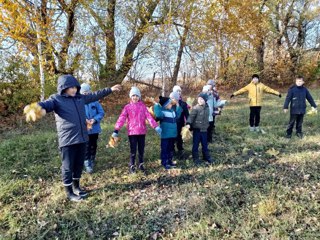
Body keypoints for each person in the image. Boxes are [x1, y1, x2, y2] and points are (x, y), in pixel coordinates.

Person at [26, 75, 121, 201]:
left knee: (78, 164)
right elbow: (46, 104)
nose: (74, 90)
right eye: (71, 87)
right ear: (63, 87)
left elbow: (95, 95)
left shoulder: (80, 98)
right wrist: (36, 107)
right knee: (68, 166)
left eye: (76, 87)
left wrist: (110, 90)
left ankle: (76, 187)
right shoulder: (56, 99)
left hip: (82, 137)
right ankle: (69, 192)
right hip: (68, 140)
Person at [112, 87, 161, 173]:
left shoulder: (143, 107)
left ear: (139, 97)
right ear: (131, 96)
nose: (135, 97)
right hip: (132, 133)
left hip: (142, 132)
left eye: (137, 95)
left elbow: (149, 117)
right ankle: (132, 165)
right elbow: (121, 118)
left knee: (141, 149)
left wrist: (155, 126)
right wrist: (116, 129)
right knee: (133, 150)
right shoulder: (127, 107)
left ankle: (141, 163)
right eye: (133, 95)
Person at [80, 83, 105, 174]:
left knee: (93, 144)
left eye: (87, 92)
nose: (86, 94)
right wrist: (84, 120)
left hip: (95, 129)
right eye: (84, 93)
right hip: (84, 129)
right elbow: (77, 115)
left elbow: (101, 112)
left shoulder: (95, 102)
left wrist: (94, 119)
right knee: (86, 145)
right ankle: (86, 162)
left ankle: (92, 158)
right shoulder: (79, 103)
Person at [154, 96, 182, 169]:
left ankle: (170, 160)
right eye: (169, 104)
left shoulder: (172, 111)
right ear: (165, 105)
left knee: (170, 148)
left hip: (172, 134)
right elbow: (158, 115)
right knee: (165, 149)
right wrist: (156, 105)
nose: (171, 105)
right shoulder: (163, 112)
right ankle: (164, 162)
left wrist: (178, 108)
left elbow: (177, 117)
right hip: (165, 135)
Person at [186, 93, 214, 165]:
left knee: (205, 144)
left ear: (205, 100)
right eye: (199, 99)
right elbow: (191, 117)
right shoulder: (196, 108)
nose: (200, 101)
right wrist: (188, 123)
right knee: (196, 144)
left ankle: (206, 156)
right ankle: (195, 158)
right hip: (197, 130)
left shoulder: (207, 108)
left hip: (204, 130)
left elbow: (209, 117)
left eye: (202, 99)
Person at [171, 85, 189, 159]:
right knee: (172, 139)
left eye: (179, 91)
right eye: (177, 91)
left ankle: (180, 151)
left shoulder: (183, 104)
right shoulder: (169, 104)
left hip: (180, 125)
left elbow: (187, 115)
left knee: (179, 139)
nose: (178, 92)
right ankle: (172, 151)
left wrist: (188, 124)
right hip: (171, 126)